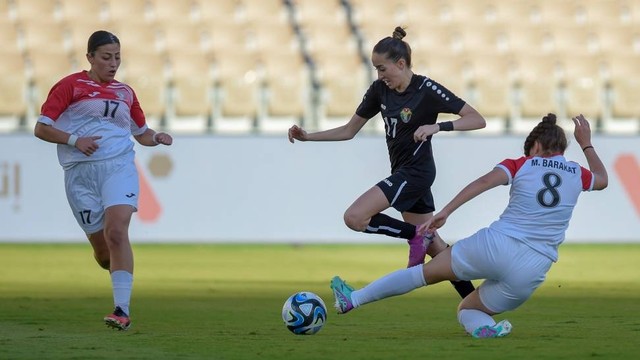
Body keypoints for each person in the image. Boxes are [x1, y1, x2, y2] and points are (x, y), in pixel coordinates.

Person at [329, 113, 608, 338]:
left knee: (422, 275)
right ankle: (482, 328)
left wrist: (447, 211)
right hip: (534, 268)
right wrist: (586, 143)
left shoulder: (522, 163)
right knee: (468, 309)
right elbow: (602, 179)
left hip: (496, 246)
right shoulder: (578, 173)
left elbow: (483, 183)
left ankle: (353, 299)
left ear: (535, 147)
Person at [288, 27, 486, 299]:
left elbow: (477, 119)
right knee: (438, 251)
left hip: (417, 172)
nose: (379, 76)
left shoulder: (426, 89)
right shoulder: (380, 91)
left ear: (401, 64)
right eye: (376, 70)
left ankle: (416, 234)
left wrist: (438, 126)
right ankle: (476, 304)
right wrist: (308, 137)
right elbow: (348, 130)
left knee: (355, 217)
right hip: (403, 173)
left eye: (382, 69)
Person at [33, 30, 173, 331]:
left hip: (117, 166)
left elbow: (141, 133)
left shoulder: (126, 92)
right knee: (104, 254)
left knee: (118, 231)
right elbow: (41, 128)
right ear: (90, 58)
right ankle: (119, 270)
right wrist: (74, 140)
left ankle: (122, 310)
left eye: (118, 58)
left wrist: (157, 137)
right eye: (107, 57)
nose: (113, 64)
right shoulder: (69, 86)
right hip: (80, 176)